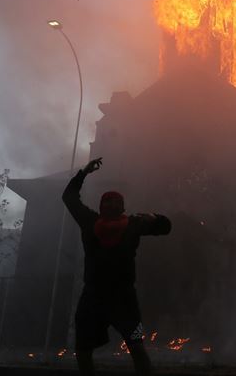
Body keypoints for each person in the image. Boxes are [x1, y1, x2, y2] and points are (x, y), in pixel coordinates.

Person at [62, 157, 171, 376]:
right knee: (84, 348)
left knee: (136, 345)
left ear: (121, 206)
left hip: (122, 297)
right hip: (95, 295)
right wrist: (83, 172)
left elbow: (166, 226)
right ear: (103, 206)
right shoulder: (95, 222)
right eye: (108, 201)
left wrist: (155, 218)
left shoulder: (127, 224)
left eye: (115, 201)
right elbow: (69, 197)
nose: (111, 204)